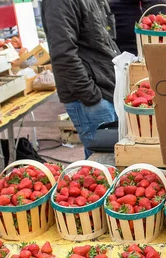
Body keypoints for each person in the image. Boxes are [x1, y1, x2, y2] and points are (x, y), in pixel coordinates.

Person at [41, 0, 120, 158]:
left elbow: (105, 39)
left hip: (108, 89)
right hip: (93, 98)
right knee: (104, 162)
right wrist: (90, 95)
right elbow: (63, 54)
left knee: (113, 159)